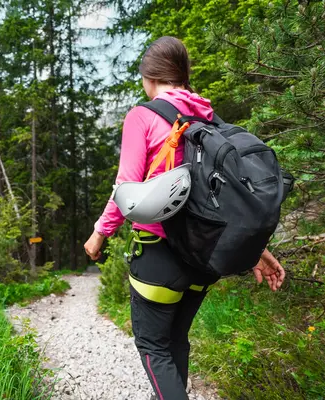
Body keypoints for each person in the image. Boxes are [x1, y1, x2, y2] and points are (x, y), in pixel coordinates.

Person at [83, 36, 286, 400]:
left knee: (152, 346)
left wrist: (100, 233)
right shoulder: (206, 116)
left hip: (159, 253)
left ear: (150, 76)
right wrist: (258, 249)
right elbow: (227, 195)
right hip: (203, 258)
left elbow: (125, 188)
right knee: (176, 340)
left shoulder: (142, 116)